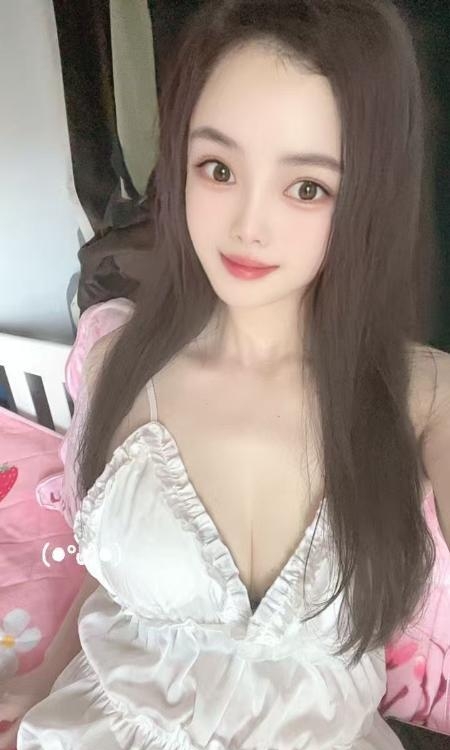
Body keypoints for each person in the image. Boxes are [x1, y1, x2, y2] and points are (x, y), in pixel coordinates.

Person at [3, 0, 450, 747]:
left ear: (368, 198)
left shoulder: (425, 395)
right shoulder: (116, 357)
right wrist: (44, 679)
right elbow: (117, 577)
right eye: (219, 169)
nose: (248, 225)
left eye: (306, 187)